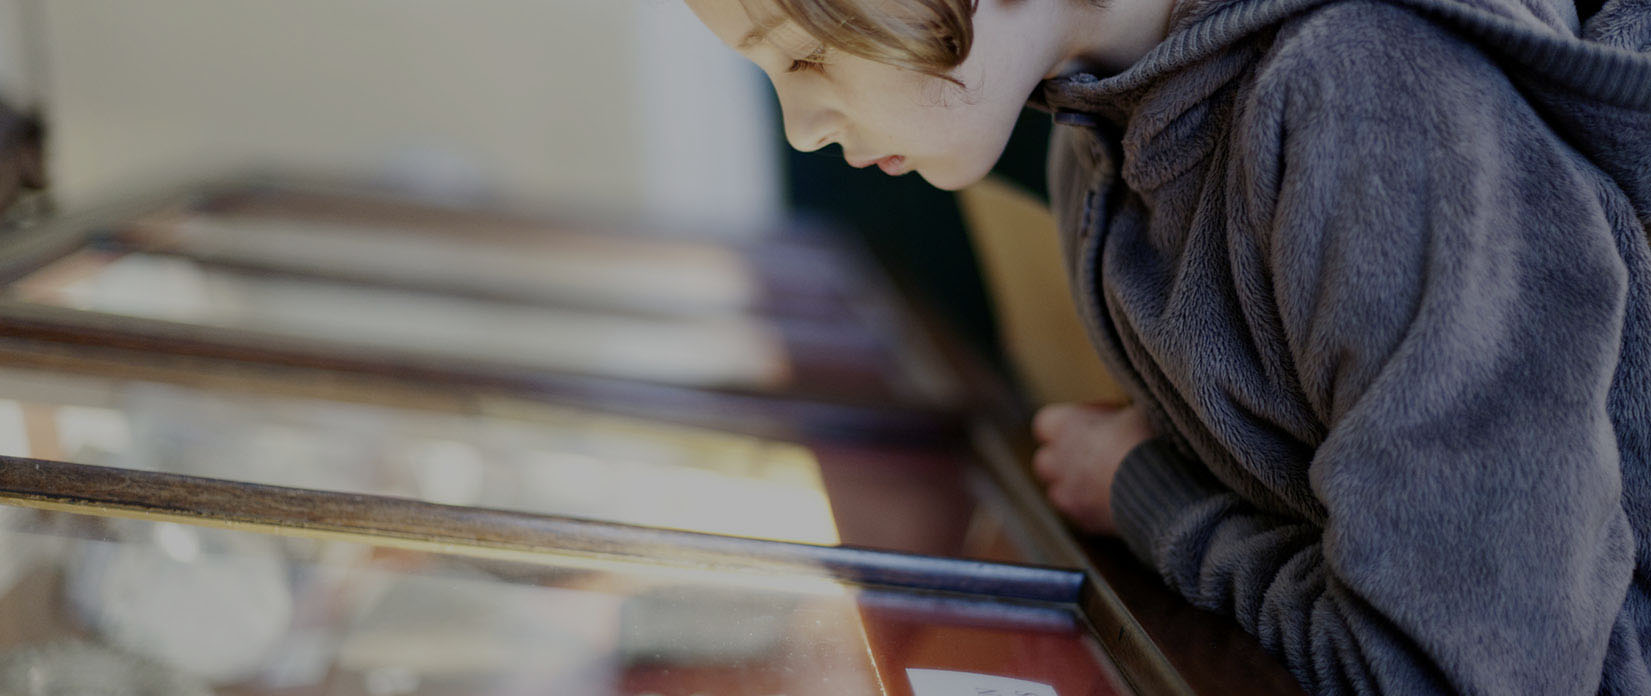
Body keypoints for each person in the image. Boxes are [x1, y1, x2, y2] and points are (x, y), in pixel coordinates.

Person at [683, 0, 1651, 692]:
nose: (803, 127)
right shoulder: (1090, 149)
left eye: (806, 58)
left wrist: (1150, 500)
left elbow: (1450, 668)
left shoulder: (1369, 103)